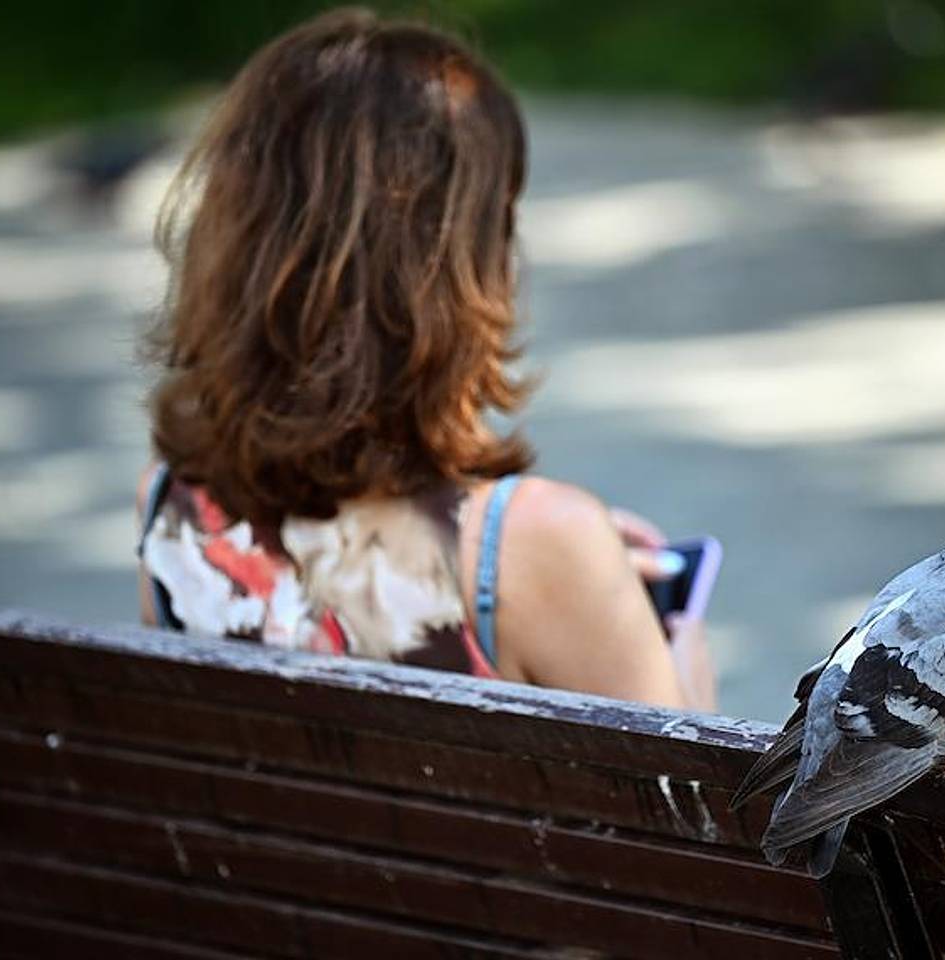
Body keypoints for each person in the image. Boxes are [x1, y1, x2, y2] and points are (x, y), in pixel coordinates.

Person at [136, 9, 715, 711]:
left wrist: (574, 565)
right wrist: (676, 638)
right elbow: (682, 813)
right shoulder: (538, 547)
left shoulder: (172, 504)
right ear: (458, 267)